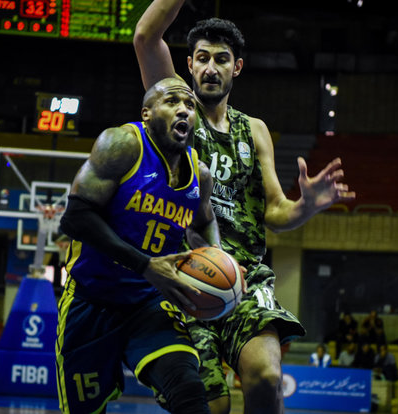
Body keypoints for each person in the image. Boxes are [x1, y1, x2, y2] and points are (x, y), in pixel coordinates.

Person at [134, 3, 355, 413]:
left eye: (221, 59)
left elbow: (275, 211)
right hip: (182, 278)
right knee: (212, 406)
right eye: (202, 58)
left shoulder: (254, 130)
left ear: (237, 67)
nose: (210, 68)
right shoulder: (176, 110)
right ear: (189, 65)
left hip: (243, 279)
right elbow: (146, 37)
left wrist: (306, 206)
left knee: (267, 379)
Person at [56, 77, 221, 414]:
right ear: (146, 113)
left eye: (190, 105)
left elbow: (203, 222)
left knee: (188, 388)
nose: (184, 109)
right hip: (91, 299)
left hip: (149, 302)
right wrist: (146, 265)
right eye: (172, 101)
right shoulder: (121, 145)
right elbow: (75, 218)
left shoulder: (200, 174)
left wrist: (217, 255)